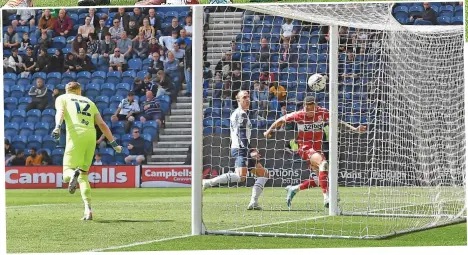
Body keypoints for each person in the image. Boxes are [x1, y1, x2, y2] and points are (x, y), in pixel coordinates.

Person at [263, 96, 367, 208]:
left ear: (316, 107)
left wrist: (354, 129)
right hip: (305, 148)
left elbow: (337, 122)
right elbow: (281, 119)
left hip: (317, 149)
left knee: (320, 179)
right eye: (308, 109)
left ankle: (294, 189)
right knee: (323, 164)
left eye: (312, 109)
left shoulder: (322, 112)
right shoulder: (299, 115)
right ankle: (327, 197)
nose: (310, 112)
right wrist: (269, 130)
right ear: (304, 107)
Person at [52, 82, 123, 220]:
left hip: (76, 136)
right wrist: (114, 144)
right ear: (79, 91)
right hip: (91, 137)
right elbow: (102, 124)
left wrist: (57, 127)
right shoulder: (89, 101)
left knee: (66, 174)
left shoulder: (62, 98)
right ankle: (88, 209)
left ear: (67, 90)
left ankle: (73, 174)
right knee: (84, 176)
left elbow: (60, 112)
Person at [203, 91, 270, 210]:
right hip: (241, 149)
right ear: (238, 100)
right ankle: (208, 182)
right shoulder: (241, 114)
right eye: (244, 97)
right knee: (240, 177)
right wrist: (250, 151)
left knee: (264, 174)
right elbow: (241, 133)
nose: (248, 99)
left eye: (248, 97)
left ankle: (253, 202)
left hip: (243, 148)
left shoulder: (240, 113)